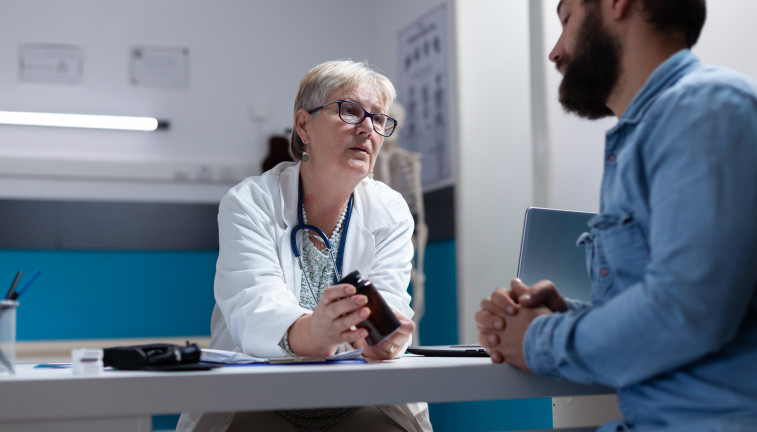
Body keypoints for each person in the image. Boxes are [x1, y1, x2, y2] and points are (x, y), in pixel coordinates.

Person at [476, 1, 757, 431]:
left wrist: (537, 339)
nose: (555, 51)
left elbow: (685, 314)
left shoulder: (707, 109)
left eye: (566, 19)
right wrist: (567, 315)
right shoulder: (647, 135)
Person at [177, 60, 432, 432]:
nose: (368, 128)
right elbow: (254, 310)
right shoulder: (251, 201)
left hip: (359, 400)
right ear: (303, 125)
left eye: (379, 119)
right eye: (350, 110)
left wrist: (385, 340)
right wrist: (317, 332)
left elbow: (389, 305)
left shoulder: (391, 210)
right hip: (259, 397)